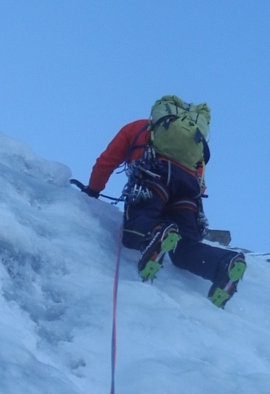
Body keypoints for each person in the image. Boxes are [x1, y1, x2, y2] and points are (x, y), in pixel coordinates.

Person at [80, 96, 247, 308]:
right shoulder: (194, 142)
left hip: (154, 176)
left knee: (136, 231)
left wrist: (93, 190)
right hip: (188, 190)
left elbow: (107, 161)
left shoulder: (141, 128)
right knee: (185, 249)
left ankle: (157, 233)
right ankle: (223, 264)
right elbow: (200, 182)